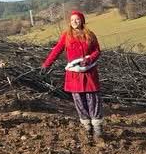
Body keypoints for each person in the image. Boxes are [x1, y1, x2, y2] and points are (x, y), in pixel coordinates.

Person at [41, 10, 103, 141]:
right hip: (74, 75)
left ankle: (97, 129)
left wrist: (89, 59)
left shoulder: (90, 34)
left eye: (77, 19)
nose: (74, 22)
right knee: (79, 101)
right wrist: (46, 64)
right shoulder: (67, 36)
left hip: (89, 73)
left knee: (93, 100)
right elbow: (57, 50)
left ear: (82, 21)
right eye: (72, 20)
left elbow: (97, 51)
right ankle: (87, 127)